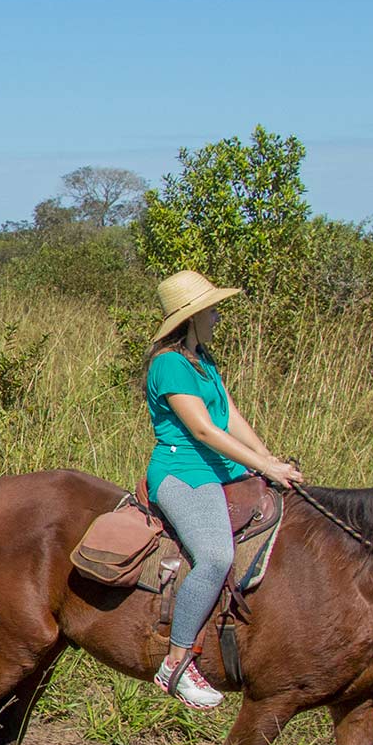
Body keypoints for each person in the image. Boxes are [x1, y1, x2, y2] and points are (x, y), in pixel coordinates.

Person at [143, 270, 304, 709]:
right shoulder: (169, 364)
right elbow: (202, 429)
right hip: (184, 473)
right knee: (215, 557)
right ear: (191, 316)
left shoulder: (202, 360)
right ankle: (176, 662)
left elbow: (229, 416)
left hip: (222, 470)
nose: (216, 316)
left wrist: (271, 463)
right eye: (211, 309)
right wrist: (262, 464)